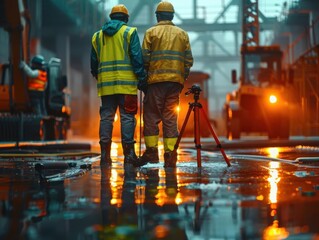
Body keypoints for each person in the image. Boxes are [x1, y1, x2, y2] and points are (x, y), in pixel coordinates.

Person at [133, 1, 193, 168]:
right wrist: (181, 78)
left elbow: (144, 58)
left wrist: (143, 79)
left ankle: (152, 152)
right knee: (170, 117)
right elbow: (188, 60)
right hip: (174, 84)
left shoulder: (151, 32)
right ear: (172, 16)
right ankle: (170, 153)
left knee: (151, 116)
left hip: (155, 83)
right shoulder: (182, 34)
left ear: (158, 16)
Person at [90, 4, 146, 167]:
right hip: (126, 85)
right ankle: (129, 155)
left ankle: (105, 156)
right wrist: (142, 78)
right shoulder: (130, 32)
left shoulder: (97, 36)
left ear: (111, 18)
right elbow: (136, 57)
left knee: (106, 117)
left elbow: (93, 62)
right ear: (126, 19)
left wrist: (98, 74)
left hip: (106, 86)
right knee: (127, 117)